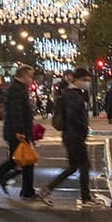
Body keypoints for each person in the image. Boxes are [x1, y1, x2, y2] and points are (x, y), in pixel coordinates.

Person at [42, 69, 100, 208]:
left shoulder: (73, 94)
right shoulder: (73, 95)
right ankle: (85, 198)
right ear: (76, 80)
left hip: (71, 135)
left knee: (75, 166)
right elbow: (73, 116)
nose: (87, 83)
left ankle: (48, 189)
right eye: (85, 80)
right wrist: (83, 128)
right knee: (83, 166)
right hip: (74, 135)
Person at [0, 64, 38, 199]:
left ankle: (27, 191)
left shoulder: (19, 88)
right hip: (18, 132)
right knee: (17, 161)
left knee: (23, 161)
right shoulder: (17, 89)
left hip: (19, 131)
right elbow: (15, 112)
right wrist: (19, 130)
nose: (31, 80)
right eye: (30, 76)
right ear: (23, 76)